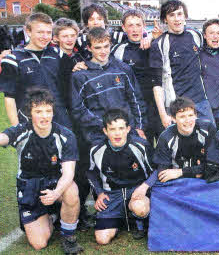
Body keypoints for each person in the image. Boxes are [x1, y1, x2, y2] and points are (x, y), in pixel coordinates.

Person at [0, 88, 83, 253]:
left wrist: (56, 192)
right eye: (38, 111)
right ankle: (52, 216)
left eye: (48, 111)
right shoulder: (22, 131)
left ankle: (68, 237)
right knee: (39, 243)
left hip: (55, 184)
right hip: (29, 186)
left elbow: (68, 173)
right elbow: (4, 137)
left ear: (53, 112)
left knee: (71, 190)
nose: (44, 116)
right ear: (30, 113)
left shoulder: (66, 136)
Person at [52, 17, 95, 231]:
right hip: (62, 117)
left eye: (72, 35)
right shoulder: (53, 58)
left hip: (82, 118)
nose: (69, 39)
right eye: (65, 36)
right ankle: (59, 210)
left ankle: (82, 210)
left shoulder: (82, 55)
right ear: (57, 38)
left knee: (84, 164)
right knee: (66, 164)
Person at [88, 108, 154, 244]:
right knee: (102, 239)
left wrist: (144, 187)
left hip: (136, 192)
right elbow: (90, 172)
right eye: (112, 129)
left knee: (140, 208)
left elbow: (157, 170)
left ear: (128, 129)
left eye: (121, 128)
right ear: (105, 131)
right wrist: (99, 193)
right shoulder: (96, 149)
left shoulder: (140, 145)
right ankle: (120, 221)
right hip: (112, 195)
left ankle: (140, 223)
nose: (117, 133)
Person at [70, 27, 146, 145]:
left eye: (106, 46)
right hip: (98, 135)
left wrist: (139, 127)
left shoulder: (123, 69)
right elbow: (78, 110)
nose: (103, 51)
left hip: (126, 131)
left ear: (110, 45)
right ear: (89, 48)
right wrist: (106, 125)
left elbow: (136, 99)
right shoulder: (80, 76)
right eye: (98, 48)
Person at [0, 13, 72, 129]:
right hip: (30, 121)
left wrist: (81, 65)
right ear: (28, 31)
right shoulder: (14, 59)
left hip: (60, 121)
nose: (45, 36)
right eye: (40, 32)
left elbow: (74, 75)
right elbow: (9, 98)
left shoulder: (57, 54)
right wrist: (17, 129)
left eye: (48, 32)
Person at [150, 0, 214, 128]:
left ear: (185, 16)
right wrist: (163, 115)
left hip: (201, 101)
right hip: (177, 105)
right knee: (183, 147)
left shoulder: (195, 35)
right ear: (165, 19)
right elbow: (157, 84)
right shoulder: (160, 44)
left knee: (210, 141)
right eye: (171, 15)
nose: (176, 19)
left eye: (179, 14)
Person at [112, 10, 162, 145]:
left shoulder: (156, 44)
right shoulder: (118, 50)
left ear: (144, 25)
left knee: (165, 147)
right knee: (143, 147)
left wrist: (153, 38)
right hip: (136, 108)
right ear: (123, 27)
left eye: (138, 25)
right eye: (130, 25)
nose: (134, 30)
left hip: (159, 106)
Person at [152, 97, 217, 182]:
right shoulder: (166, 137)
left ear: (196, 115)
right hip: (179, 182)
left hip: (204, 179)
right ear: (173, 119)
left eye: (190, 115)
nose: (188, 120)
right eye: (182, 117)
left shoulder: (208, 128)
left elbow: (214, 166)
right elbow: (163, 174)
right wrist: (196, 172)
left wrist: (181, 172)